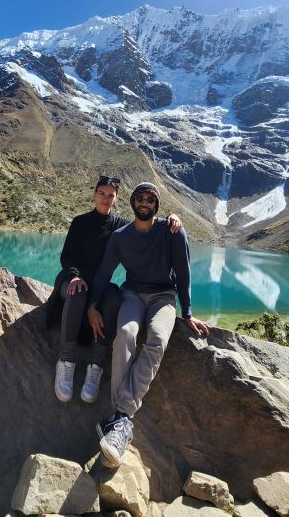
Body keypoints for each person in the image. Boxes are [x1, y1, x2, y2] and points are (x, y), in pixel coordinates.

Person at [87, 182, 210, 467]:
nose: (144, 203)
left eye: (150, 199)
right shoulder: (120, 237)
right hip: (132, 294)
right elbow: (105, 273)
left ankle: (120, 416)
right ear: (133, 203)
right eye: (140, 198)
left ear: (157, 204)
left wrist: (188, 312)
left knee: (157, 339)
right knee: (127, 334)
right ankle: (122, 421)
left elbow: (183, 272)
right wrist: (92, 305)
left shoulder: (172, 231)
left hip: (164, 298)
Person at [45, 176, 181, 404]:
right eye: (102, 194)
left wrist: (172, 218)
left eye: (111, 195)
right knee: (77, 292)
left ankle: (96, 366)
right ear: (94, 194)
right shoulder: (80, 221)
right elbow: (66, 255)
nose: (106, 199)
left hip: (98, 282)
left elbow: (145, 223)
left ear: (117, 198)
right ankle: (66, 362)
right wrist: (75, 275)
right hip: (73, 279)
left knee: (115, 299)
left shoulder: (121, 226)